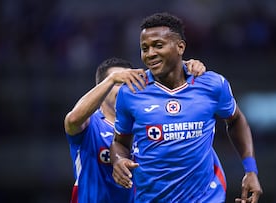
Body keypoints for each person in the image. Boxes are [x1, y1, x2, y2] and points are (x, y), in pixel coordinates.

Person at [110, 12, 263, 203]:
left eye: (158, 45)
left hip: (206, 197)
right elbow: (120, 142)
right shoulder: (131, 91)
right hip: (151, 198)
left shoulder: (211, 84)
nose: (150, 54)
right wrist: (118, 160)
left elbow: (236, 120)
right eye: (144, 48)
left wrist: (250, 170)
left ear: (180, 47)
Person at [64, 57, 206, 203]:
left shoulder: (146, 125)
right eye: (118, 83)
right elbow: (73, 120)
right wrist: (111, 79)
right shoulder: (91, 124)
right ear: (103, 87)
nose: (124, 89)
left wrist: (184, 70)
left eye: (129, 82)